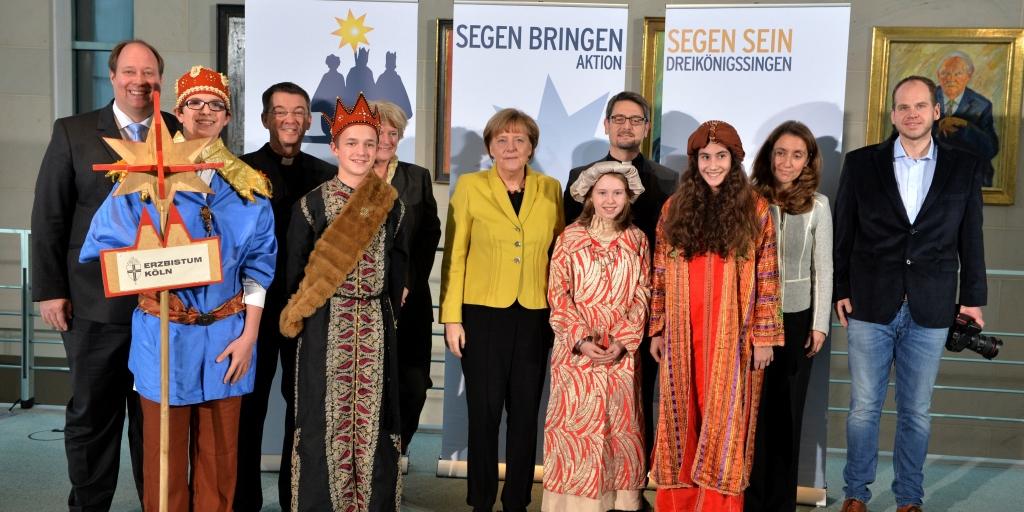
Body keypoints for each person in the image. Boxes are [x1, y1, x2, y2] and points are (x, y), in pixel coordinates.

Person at [79, 65, 276, 511]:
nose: (205, 112)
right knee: (163, 458)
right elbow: (102, 245)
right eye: (194, 103)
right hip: (164, 334)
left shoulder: (248, 188)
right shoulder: (143, 177)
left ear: (227, 117)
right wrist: (150, 263)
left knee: (220, 459)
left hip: (228, 337)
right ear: (178, 113)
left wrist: (249, 337)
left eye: (216, 105)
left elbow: (259, 268)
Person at [30, 39, 180, 511]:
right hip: (93, 305)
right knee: (93, 416)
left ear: (160, 80)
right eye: (131, 72)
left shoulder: (176, 132)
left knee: (152, 420)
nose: (141, 81)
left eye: (150, 73)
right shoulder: (73, 132)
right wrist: (50, 291)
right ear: (113, 76)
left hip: (161, 306)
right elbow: (49, 215)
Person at [834, 76, 986, 512]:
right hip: (868, 303)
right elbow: (845, 232)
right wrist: (841, 287)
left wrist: (973, 298)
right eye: (903, 107)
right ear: (894, 113)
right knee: (863, 409)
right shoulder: (862, 163)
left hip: (933, 304)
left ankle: (908, 499)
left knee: (916, 412)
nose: (912, 114)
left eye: (921, 106)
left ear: (937, 111)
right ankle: (855, 495)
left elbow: (970, 238)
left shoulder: (964, 165)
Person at [279, 93, 407, 512]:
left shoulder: (392, 205)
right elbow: (294, 274)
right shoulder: (311, 205)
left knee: (374, 420)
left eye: (370, 144)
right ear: (335, 148)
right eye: (352, 143)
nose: (362, 152)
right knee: (322, 419)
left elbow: (397, 267)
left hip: (374, 318)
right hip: (323, 324)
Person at [648, 120, 783, 511]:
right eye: (705, 157)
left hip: (732, 335)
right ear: (695, 162)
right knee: (681, 417)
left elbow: (768, 276)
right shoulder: (673, 208)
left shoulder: (755, 208)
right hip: (682, 332)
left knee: (725, 419)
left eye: (720, 156)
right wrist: (657, 328)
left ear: (734, 159)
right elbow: (659, 271)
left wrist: (764, 337)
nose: (712, 164)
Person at [440, 109, 564, 512]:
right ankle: (480, 500)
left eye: (520, 140)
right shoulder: (470, 187)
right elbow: (455, 256)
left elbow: (558, 254)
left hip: (534, 314)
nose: (510, 147)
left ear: (532, 147)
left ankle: (517, 501)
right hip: (482, 314)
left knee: (526, 413)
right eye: (502, 140)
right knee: (485, 413)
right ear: (490, 147)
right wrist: (452, 317)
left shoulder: (551, 188)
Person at [234, 82, 335, 512]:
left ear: (309, 120)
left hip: (306, 311)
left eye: (298, 111)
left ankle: (294, 500)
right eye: (280, 111)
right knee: (248, 409)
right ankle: (244, 501)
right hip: (250, 309)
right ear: (264, 119)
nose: (290, 119)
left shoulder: (326, 175)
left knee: (302, 410)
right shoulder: (240, 170)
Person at [564, 91, 676, 464]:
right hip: (587, 317)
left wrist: (647, 319)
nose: (626, 126)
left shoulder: (667, 181)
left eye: (635, 120)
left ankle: (631, 489)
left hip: (640, 313)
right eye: (619, 119)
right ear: (607, 124)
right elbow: (566, 245)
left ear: (646, 128)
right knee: (584, 405)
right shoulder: (579, 178)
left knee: (637, 401)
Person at [543, 161, 650, 512]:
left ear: (628, 196)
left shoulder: (637, 240)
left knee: (619, 431)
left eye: (617, 193)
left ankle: (621, 502)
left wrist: (622, 339)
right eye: (602, 192)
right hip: (577, 356)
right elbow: (558, 293)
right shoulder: (570, 238)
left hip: (620, 356)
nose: (609, 200)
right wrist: (580, 340)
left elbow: (644, 292)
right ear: (588, 195)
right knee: (578, 431)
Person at [744, 121, 833, 511]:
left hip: (797, 321)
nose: (787, 161)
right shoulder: (748, 199)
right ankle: (751, 499)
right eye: (781, 152)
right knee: (753, 417)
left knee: (787, 416)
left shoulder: (819, 205)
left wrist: (820, 325)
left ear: (808, 161)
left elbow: (824, 268)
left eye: (798, 154)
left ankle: (780, 503)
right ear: (769, 155)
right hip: (751, 322)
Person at [369, 100, 442, 455]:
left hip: (410, 303)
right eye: (378, 131)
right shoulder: (347, 176)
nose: (385, 139)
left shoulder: (417, 177)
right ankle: (369, 462)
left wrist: (409, 280)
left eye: (393, 133)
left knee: (413, 385)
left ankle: (398, 450)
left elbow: (430, 235)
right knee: (369, 385)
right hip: (361, 303)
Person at [933, 51, 998, 186]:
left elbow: (990, 149)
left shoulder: (981, 105)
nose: (951, 78)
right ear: (938, 75)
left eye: (958, 74)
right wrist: (938, 129)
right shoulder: (923, 98)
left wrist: (964, 125)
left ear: (969, 76)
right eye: (945, 73)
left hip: (969, 175)